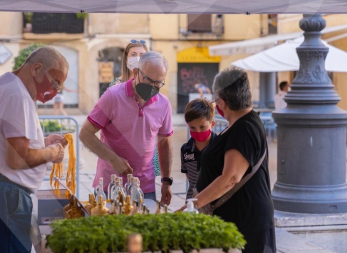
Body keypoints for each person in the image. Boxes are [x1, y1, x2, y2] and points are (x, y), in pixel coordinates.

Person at [0, 47, 69, 253]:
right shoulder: (17, 95)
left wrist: (42, 142)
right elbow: (17, 160)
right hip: (2, 194)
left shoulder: (6, 83)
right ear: (37, 69)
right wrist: (52, 153)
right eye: (55, 82)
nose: (55, 90)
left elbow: (6, 141)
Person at [180, 66, 276, 253]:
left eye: (216, 100)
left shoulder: (244, 128)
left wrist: (193, 204)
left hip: (246, 223)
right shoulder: (242, 123)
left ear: (222, 102)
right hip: (239, 219)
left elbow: (231, 178)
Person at [80, 51, 174, 205]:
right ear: (136, 72)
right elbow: (85, 134)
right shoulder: (112, 96)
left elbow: (164, 144)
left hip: (145, 187)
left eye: (158, 83)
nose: (152, 86)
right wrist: (113, 159)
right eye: (148, 80)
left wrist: (166, 182)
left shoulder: (164, 104)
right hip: (110, 185)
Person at [109, 40, 161, 177]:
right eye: (133, 54)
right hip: (121, 144)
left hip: (145, 143)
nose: (137, 58)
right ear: (126, 57)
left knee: (144, 190)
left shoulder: (152, 84)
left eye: (141, 54)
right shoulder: (116, 84)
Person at [181, 98, 217, 200]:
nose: (198, 131)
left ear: (212, 124)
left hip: (216, 202)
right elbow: (189, 177)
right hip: (192, 201)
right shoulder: (185, 149)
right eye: (193, 128)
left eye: (202, 127)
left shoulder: (220, 147)